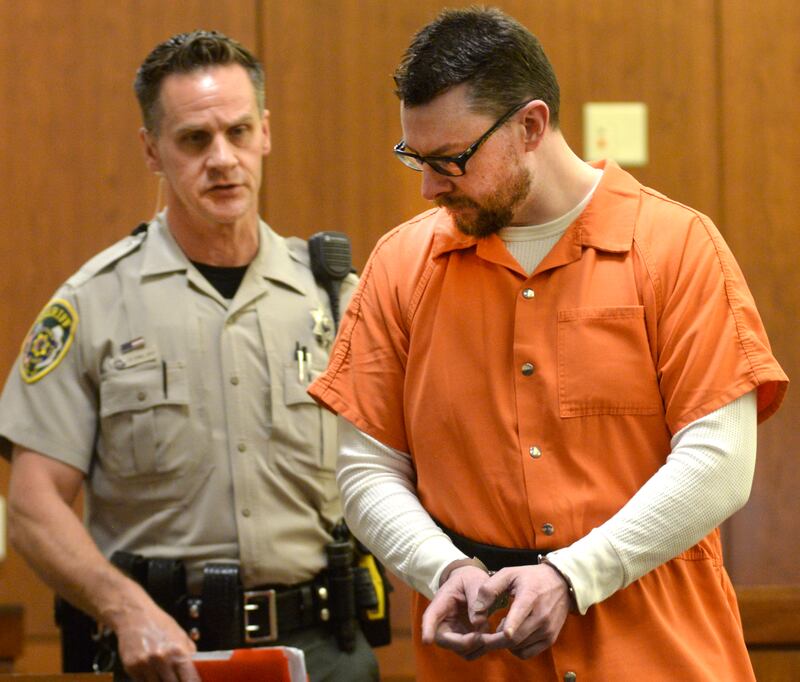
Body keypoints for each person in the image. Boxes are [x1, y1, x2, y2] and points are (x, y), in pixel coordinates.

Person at [309, 7, 789, 681]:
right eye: (415, 158)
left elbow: (720, 460)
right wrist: (443, 566)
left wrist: (570, 577)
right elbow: (365, 469)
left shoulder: (677, 248)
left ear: (531, 126)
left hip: (662, 658)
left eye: (451, 160)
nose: (427, 187)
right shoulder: (399, 266)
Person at [0, 30, 378, 682]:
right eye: (194, 140)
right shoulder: (94, 305)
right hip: (165, 654)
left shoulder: (337, 296)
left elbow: (402, 464)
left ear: (265, 131)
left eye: (237, 131)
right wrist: (123, 609)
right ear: (152, 150)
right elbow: (33, 506)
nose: (223, 158)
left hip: (326, 648)